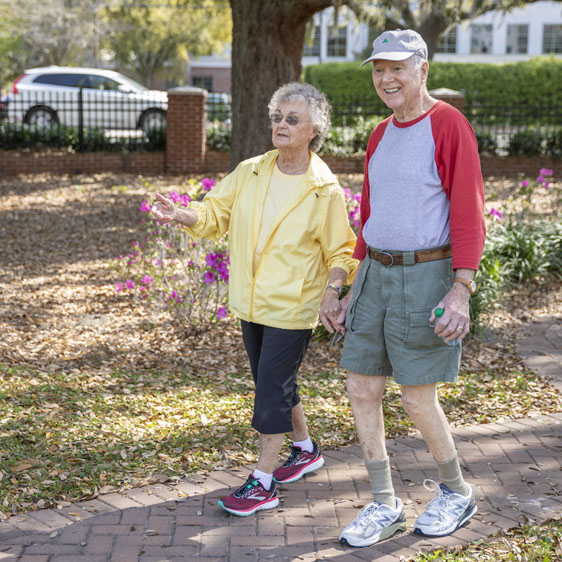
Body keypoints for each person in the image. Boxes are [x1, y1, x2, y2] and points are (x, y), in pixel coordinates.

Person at [152, 82, 357, 517]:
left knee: (269, 392)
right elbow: (214, 214)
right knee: (276, 384)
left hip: (293, 306)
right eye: (277, 117)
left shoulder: (325, 190)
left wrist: (332, 292)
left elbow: (342, 251)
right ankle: (304, 449)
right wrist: (181, 212)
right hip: (251, 302)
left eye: (292, 119)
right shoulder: (250, 171)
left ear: (314, 128)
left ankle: (262, 482)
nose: (281, 125)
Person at [334, 29, 486, 547]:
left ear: (423, 69)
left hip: (426, 277)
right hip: (375, 274)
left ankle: (456, 491)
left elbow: (468, 212)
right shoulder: (379, 133)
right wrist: (353, 280)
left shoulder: (448, 125)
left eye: (397, 67)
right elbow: (371, 213)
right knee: (362, 388)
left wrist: (461, 288)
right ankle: (384, 504)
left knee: (418, 398)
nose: (387, 78)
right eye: (379, 69)